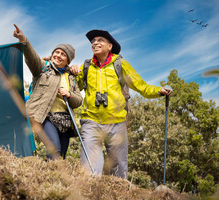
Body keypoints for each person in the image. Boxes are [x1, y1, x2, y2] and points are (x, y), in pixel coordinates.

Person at [73, 29, 172, 178]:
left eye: (100, 40)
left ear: (110, 46)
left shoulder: (120, 64)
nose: (95, 43)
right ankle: (90, 197)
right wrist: (71, 73)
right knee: (90, 168)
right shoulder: (86, 66)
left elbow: (141, 86)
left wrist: (159, 90)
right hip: (91, 121)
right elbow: (74, 88)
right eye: (93, 41)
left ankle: (117, 199)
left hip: (116, 123)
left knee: (119, 170)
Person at [13, 24, 83, 159]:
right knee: (54, 149)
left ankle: (52, 178)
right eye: (57, 52)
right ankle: (44, 177)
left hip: (66, 121)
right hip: (45, 117)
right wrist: (24, 41)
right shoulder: (43, 69)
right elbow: (31, 57)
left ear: (67, 60)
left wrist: (69, 95)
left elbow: (78, 101)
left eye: (63, 54)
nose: (58, 55)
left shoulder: (71, 78)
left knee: (61, 155)